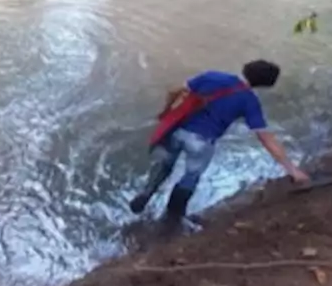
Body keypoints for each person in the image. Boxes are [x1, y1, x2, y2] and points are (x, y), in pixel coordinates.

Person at [129, 60, 309, 220]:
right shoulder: (250, 101)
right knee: (190, 178)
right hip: (202, 142)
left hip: (178, 131)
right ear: (266, 84)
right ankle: (173, 217)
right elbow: (265, 138)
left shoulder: (212, 76)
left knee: (165, 165)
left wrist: (166, 111)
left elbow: (175, 91)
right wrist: (292, 170)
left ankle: (146, 193)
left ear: (247, 68)